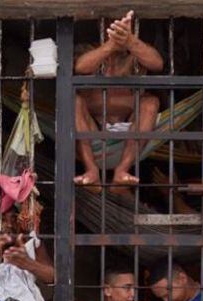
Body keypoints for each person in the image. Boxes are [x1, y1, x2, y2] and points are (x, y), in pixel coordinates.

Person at [74, 11, 163, 188]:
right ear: (103, 25)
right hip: (92, 127)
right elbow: (80, 67)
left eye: (123, 22)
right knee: (74, 100)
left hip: (130, 126)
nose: (119, 26)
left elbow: (157, 63)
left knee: (151, 102)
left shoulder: (136, 52)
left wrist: (130, 41)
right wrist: (110, 45)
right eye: (113, 22)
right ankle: (91, 170)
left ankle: (122, 170)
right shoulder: (90, 49)